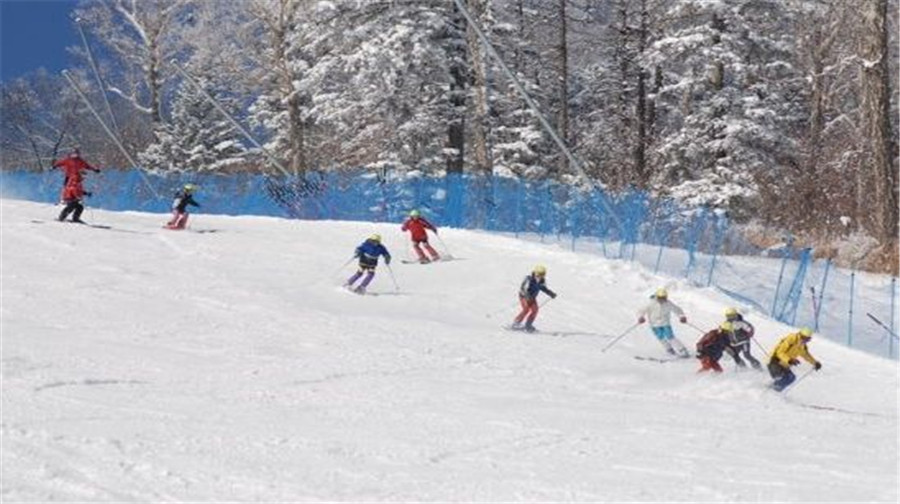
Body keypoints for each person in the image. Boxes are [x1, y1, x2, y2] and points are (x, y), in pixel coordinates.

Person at [636, 288, 691, 357]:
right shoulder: (651, 303)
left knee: (670, 336)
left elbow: (677, 310)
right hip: (654, 324)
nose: (662, 300)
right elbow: (641, 311)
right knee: (660, 337)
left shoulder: (668, 303)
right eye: (660, 298)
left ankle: (682, 350)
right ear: (657, 297)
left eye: (664, 298)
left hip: (665, 323)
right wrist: (641, 317)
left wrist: (681, 316)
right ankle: (669, 349)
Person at [52, 148, 100, 223]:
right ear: (70, 154)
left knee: (78, 204)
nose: (74, 155)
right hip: (69, 177)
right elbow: (60, 163)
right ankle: (66, 201)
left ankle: (74, 215)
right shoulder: (67, 160)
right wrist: (54, 166)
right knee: (70, 196)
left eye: (76, 154)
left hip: (76, 177)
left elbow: (87, 166)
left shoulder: (80, 161)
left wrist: (94, 169)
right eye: (73, 154)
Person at [768, 327, 822, 392]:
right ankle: (770, 390)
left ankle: (775, 392)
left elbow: (806, 355)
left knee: (791, 378)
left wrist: (815, 363)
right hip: (774, 361)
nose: (806, 341)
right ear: (801, 335)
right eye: (806, 338)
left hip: (784, 365)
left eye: (808, 339)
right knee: (780, 376)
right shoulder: (792, 339)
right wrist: (789, 360)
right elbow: (779, 352)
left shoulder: (802, 346)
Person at [511, 265, 557, 332]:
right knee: (526, 309)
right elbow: (523, 289)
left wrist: (550, 293)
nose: (540, 276)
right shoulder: (529, 279)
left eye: (542, 274)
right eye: (539, 274)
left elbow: (543, 288)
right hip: (524, 296)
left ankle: (528, 325)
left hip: (532, 297)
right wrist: (527, 296)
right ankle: (516, 323)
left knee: (535, 310)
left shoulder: (542, 281)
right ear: (535, 272)